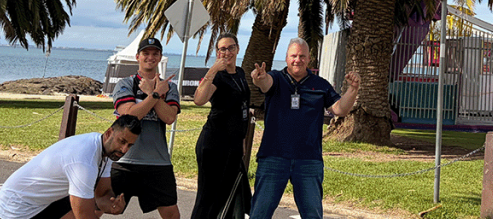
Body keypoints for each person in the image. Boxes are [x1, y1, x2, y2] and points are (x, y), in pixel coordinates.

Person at [249, 37, 360, 219]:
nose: (297, 60)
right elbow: (264, 83)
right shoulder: (276, 78)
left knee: (312, 215)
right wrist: (259, 78)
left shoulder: (320, 85)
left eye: (302, 56)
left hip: (308, 160)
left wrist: (353, 90)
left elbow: (340, 110)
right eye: (293, 55)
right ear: (286, 58)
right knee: (259, 213)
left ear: (309, 59)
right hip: (274, 158)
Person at [0, 114, 141, 219]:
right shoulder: (84, 160)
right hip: (17, 207)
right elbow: (84, 215)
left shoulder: (107, 151)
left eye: (130, 145)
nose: (124, 150)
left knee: (82, 204)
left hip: (44, 202)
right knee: (82, 208)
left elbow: (102, 194)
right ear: (109, 133)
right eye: (122, 142)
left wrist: (110, 205)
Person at [111, 37, 181, 219]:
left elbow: (169, 117)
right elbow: (129, 117)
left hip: (157, 162)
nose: (150, 57)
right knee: (99, 207)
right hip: (123, 160)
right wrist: (156, 95)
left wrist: (151, 94)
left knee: (172, 213)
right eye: (146, 53)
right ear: (137, 57)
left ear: (160, 57)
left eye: (155, 53)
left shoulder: (170, 87)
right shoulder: (126, 84)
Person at [191, 33, 251, 219]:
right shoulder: (217, 77)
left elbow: (242, 108)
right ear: (217, 53)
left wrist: (241, 139)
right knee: (207, 198)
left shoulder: (240, 73)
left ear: (237, 49)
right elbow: (199, 99)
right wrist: (212, 71)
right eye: (222, 49)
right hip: (214, 143)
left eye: (231, 47)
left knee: (227, 195)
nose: (227, 52)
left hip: (233, 145)